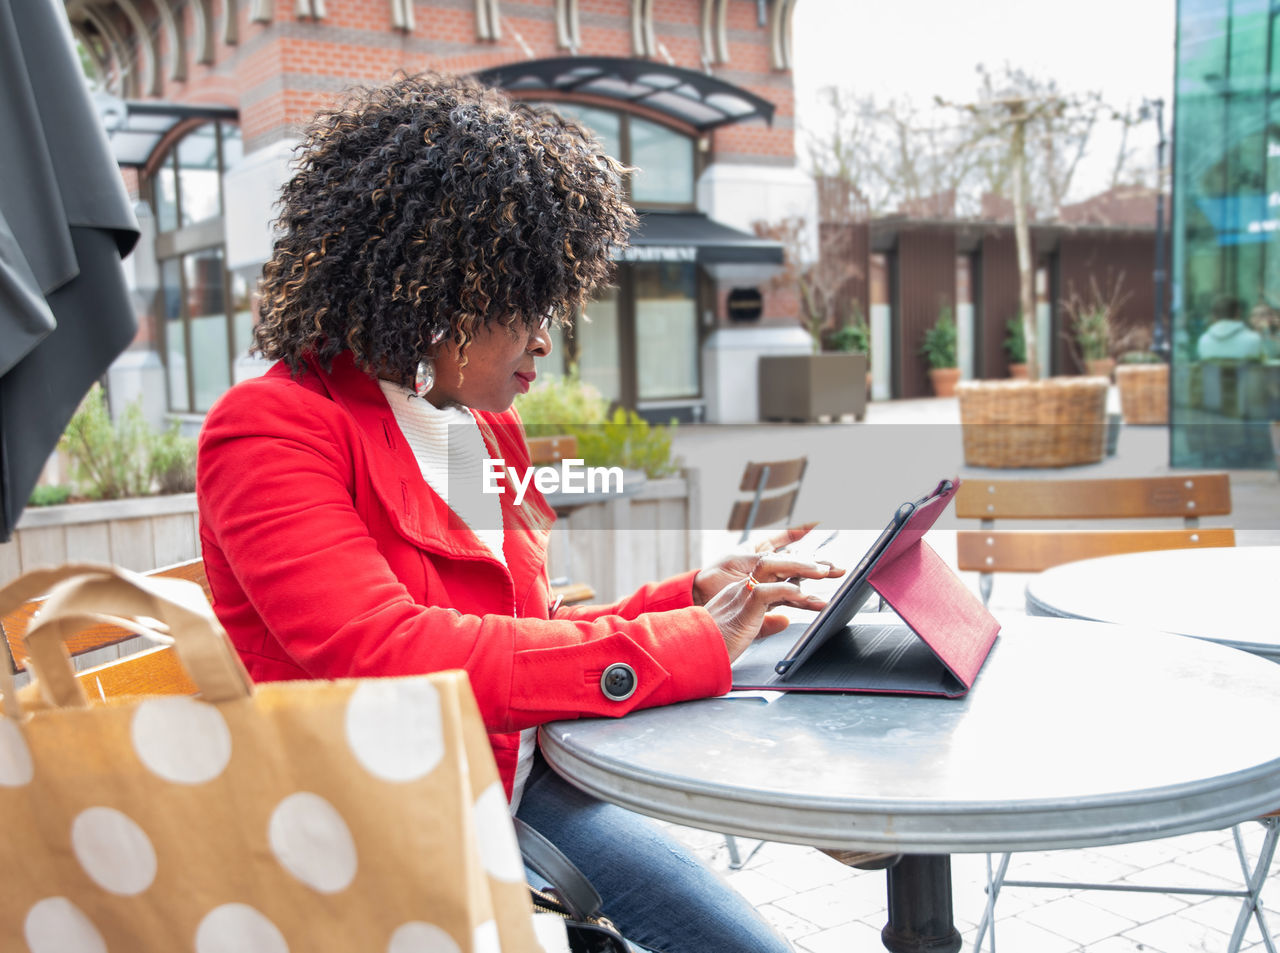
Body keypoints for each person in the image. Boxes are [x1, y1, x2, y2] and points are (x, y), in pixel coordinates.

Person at [196, 73, 838, 953]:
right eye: (528, 301)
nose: (547, 337)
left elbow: (528, 627)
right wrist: (687, 645)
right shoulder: (274, 427)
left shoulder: (479, 431)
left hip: (518, 788)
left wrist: (697, 599)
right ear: (438, 292)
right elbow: (386, 653)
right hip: (378, 840)